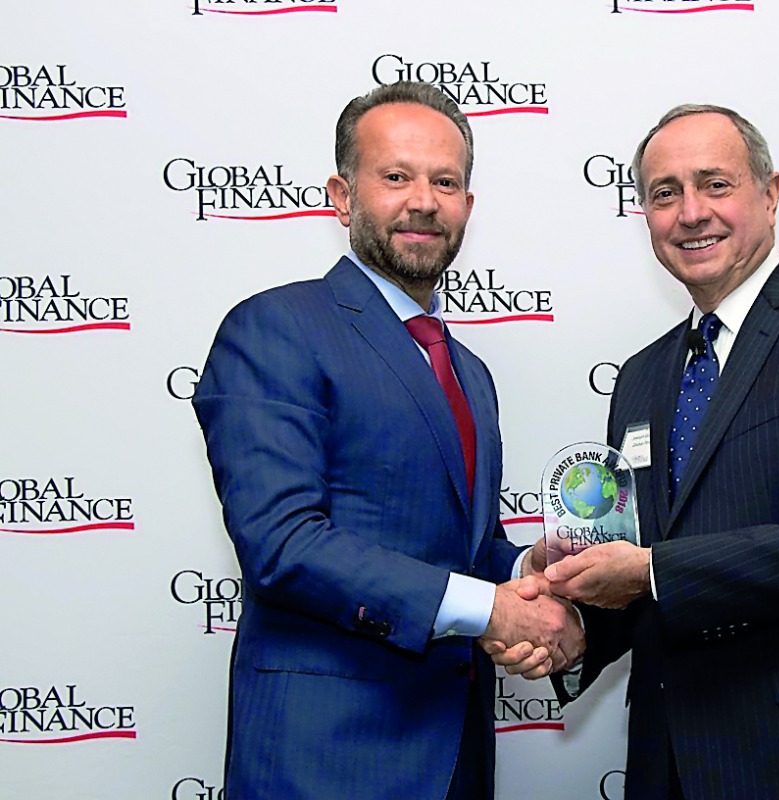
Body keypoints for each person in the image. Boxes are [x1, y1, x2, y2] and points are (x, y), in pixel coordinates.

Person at [490, 105, 779, 799]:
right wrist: (573, 631)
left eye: (714, 184)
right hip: (669, 766)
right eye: (665, 193)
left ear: (770, 193)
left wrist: (650, 570)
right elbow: (641, 572)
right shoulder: (640, 377)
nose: (691, 212)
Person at [192, 81, 582, 800]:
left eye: (446, 181)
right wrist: (494, 609)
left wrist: (534, 567)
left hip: (456, 754)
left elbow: (464, 554)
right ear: (341, 196)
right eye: (396, 177)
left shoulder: (469, 371)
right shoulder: (275, 328)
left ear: (468, 205)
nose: (424, 201)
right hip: (323, 759)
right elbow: (282, 544)